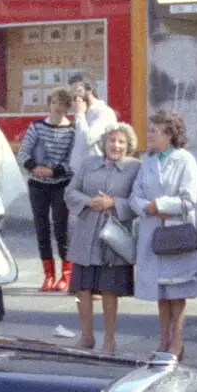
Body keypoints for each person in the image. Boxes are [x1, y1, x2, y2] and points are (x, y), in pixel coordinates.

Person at [131, 109, 197, 358]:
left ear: (170, 134)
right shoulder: (148, 161)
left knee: (177, 291)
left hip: (176, 234)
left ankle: (177, 341)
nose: (149, 135)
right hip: (153, 232)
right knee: (160, 292)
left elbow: (189, 199)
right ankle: (163, 340)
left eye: (154, 131)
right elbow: (135, 195)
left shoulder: (185, 160)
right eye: (149, 130)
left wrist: (159, 206)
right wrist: (145, 207)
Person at [65, 122, 141, 353]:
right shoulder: (89, 163)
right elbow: (70, 191)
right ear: (104, 142)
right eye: (112, 140)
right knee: (82, 289)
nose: (115, 145)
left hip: (114, 236)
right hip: (86, 234)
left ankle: (110, 339)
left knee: (109, 290)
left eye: (121, 142)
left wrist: (113, 203)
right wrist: (88, 202)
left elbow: (138, 201)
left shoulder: (135, 167)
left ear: (128, 146)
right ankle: (86, 336)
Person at [19, 87, 79, 291]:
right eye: (54, 102)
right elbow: (23, 153)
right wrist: (35, 168)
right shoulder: (36, 126)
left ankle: (66, 275)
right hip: (37, 184)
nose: (58, 107)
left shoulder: (72, 131)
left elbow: (73, 160)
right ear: (49, 104)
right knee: (41, 228)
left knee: (61, 229)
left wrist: (54, 172)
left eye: (62, 104)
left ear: (67, 107)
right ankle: (48, 275)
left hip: (60, 184)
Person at [68, 75, 118, 170]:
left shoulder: (104, 112)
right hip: (79, 173)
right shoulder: (84, 113)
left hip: (96, 172)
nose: (74, 96)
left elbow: (88, 140)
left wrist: (79, 114)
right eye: (72, 92)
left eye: (78, 90)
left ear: (89, 89)